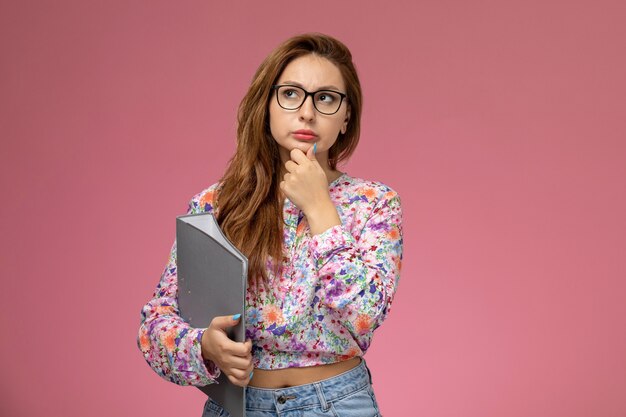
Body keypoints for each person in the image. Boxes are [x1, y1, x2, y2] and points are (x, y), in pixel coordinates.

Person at [138, 33, 403, 417]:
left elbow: (365, 314)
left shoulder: (374, 203)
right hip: (238, 407)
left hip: (337, 405)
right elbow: (156, 325)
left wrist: (320, 208)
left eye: (326, 98)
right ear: (267, 105)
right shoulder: (217, 205)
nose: (307, 112)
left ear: (346, 117)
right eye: (291, 94)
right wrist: (204, 347)